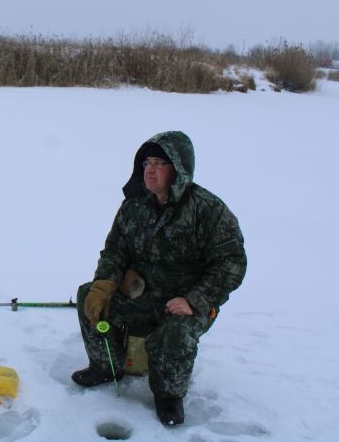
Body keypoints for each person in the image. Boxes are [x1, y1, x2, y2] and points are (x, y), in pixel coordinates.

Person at [72, 131, 246, 425]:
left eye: (159, 164)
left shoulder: (209, 210)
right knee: (87, 296)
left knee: (175, 334)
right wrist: (105, 284)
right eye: (146, 163)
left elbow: (232, 263)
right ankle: (106, 366)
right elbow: (116, 250)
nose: (149, 170)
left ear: (178, 169)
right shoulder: (134, 206)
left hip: (185, 302)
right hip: (142, 294)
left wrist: (195, 300)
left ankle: (168, 396)